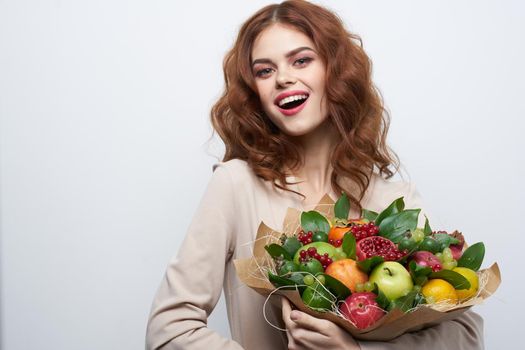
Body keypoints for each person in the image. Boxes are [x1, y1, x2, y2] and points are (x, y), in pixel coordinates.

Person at [146, 1, 484, 349]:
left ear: (335, 70)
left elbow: (467, 335)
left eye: (301, 60)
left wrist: (357, 349)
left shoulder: (394, 200)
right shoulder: (236, 185)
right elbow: (168, 330)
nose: (282, 78)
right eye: (264, 71)